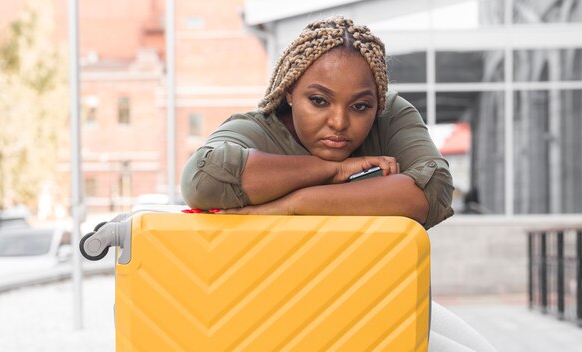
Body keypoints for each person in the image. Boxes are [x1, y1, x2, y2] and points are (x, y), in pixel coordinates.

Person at [181, 16, 495, 352]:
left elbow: (431, 190)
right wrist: (332, 170)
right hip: (279, 318)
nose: (339, 122)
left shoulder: (390, 116)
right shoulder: (257, 130)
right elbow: (202, 179)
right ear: (289, 90)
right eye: (319, 100)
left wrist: (292, 205)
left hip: (381, 305)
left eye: (361, 106)